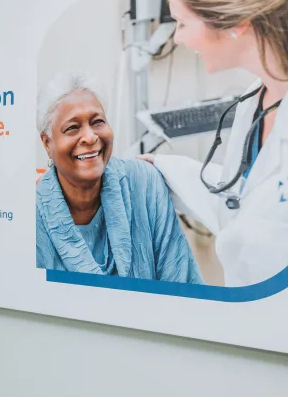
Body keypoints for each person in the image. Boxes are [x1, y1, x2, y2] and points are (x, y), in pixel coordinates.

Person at [139, 0, 288, 287]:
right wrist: (158, 169)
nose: (177, 38)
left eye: (183, 23)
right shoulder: (253, 101)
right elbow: (245, 198)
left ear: (235, 20)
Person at [36, 72, 202, 283]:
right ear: (47, 143)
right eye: (72, 127)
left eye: (97, 122)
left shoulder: (144, 183)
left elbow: (180, 282)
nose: (90, 136)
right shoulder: (32, 214)